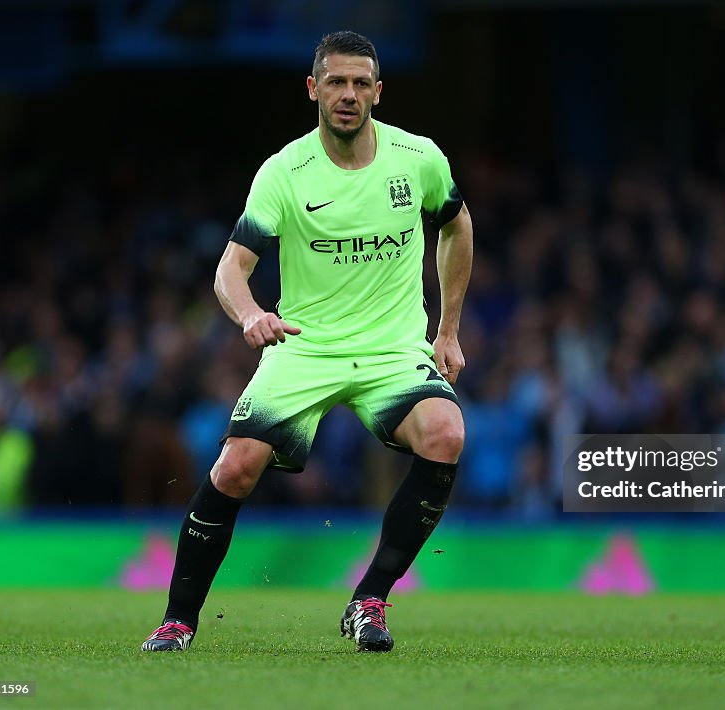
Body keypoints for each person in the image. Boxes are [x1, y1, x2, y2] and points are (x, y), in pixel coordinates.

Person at [141, 30, 472, 653]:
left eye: (360, 83)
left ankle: (369, 600)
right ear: (313, 88)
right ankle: (177, 622)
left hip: (392, 350)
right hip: (305, 346)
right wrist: (249, 316)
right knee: (236, 468)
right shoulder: (284, 172)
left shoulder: (418, 158)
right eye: (337, 82)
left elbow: (456, 224)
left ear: (378, 91)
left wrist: (448, 328)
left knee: (446, 433)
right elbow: (230, 268)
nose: (348, 95)